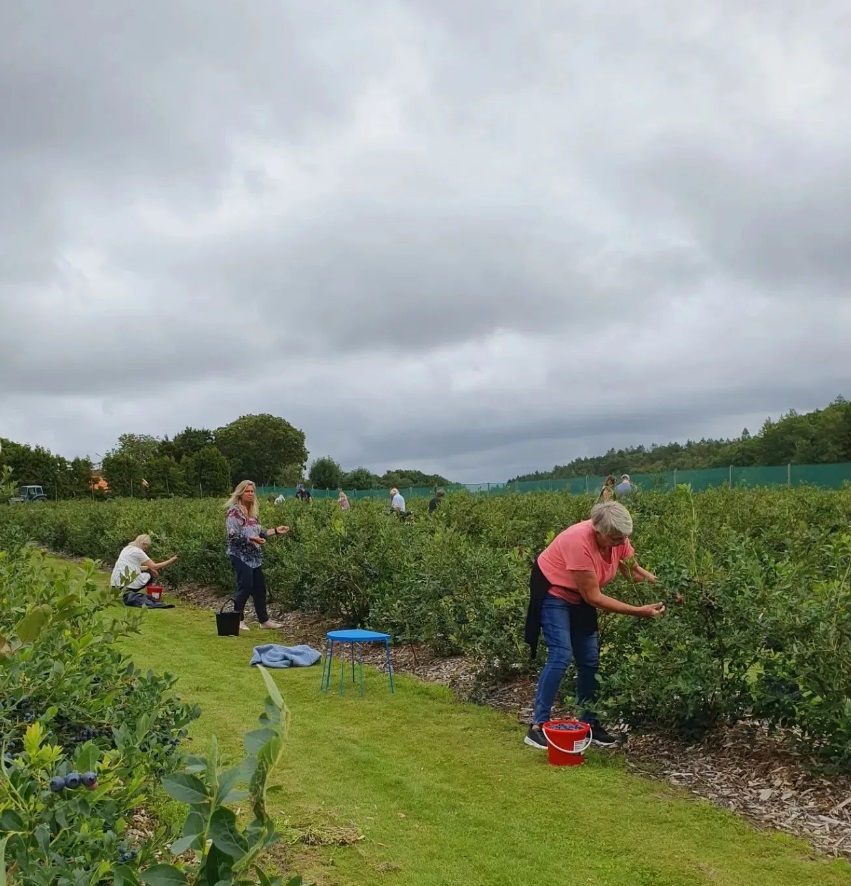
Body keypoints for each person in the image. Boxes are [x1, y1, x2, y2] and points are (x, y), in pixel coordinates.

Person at [523, 501, 665, 749]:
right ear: (598, 531)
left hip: (581, 595)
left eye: (624, 538)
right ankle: (537, 726)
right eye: (615, 538)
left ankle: (590, 723)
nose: (621, 543)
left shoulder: (618, 538)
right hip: (554, 592)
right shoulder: (577, 541)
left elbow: (633, 571)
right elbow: (593, 597)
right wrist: (636, 611)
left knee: (590, 659)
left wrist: (667, 588)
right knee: (561, 654)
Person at [226, 480, 290, 632]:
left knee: (260, 589)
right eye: (247, 491)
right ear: (240, 493)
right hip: (239, 555)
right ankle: (238, 619)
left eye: (252, 491)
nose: (250, 494)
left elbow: (260, 532)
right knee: (245, 586)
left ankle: (264, 620)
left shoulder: (253, 513)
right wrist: (250, 539)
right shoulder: (233, 512)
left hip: (255, 557)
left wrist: (275, 530)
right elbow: (232, 535)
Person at [110, 534, 177, 607]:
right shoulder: (138, 551)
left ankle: (127, 593)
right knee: (149, 576)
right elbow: (154, 566)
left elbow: (135, 567)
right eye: (146, 546)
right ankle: (134, 592)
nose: (146, 549)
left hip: (115, 584)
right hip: (126, 584)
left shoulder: (126, 549)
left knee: (147, 571)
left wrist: (149, 568)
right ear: (143, 543)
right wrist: (171, 561)